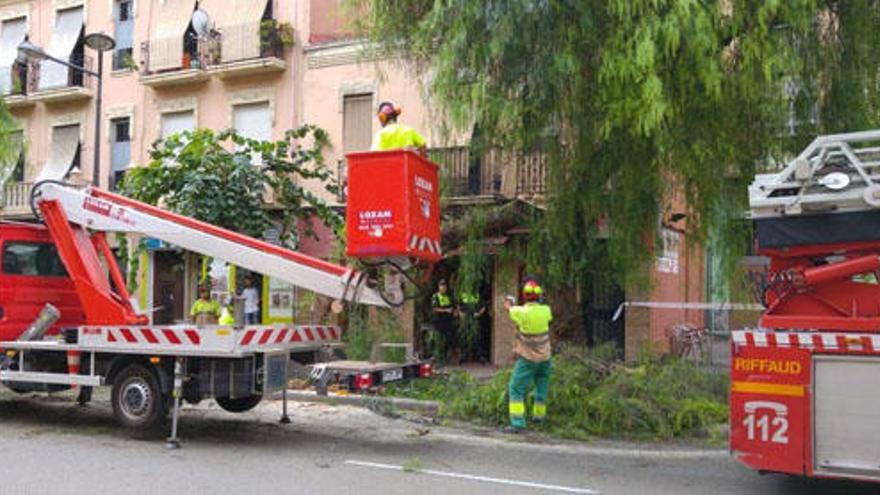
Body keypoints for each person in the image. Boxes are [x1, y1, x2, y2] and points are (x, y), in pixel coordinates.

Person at [504, 278, 553, 433]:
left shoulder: (520, 311)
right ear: (539, 296)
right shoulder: (546, 310)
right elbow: (545, 316)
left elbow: (510, 309)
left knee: (515, 388)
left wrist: (510, 304)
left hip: (528, 359)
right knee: (541, 386)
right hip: (545, 358)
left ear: (524, 296)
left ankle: (517, 423)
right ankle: (539, 417)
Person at [458, 289, 488, 363]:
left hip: (476, 320)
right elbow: (458, 305)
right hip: (466, 321)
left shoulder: (477, 294)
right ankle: (463, 356)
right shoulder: (462, 294)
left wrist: (479, 313)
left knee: (478, 338)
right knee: (464, 338)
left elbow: (484, 306)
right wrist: (460, 314)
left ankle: (480, 356)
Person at [431, 279, 456, 364]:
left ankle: (445, 357)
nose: (443, 288)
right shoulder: (435, 296)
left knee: (449, 340)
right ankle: (438, 358)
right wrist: (446, 310)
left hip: (448, 321)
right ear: (439, 287)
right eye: (442, 286)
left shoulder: (448, 296)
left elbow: (453, 306)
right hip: (439, 321)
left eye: (445, 286)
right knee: (439, 340)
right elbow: (434, 308)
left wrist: (454, 311)